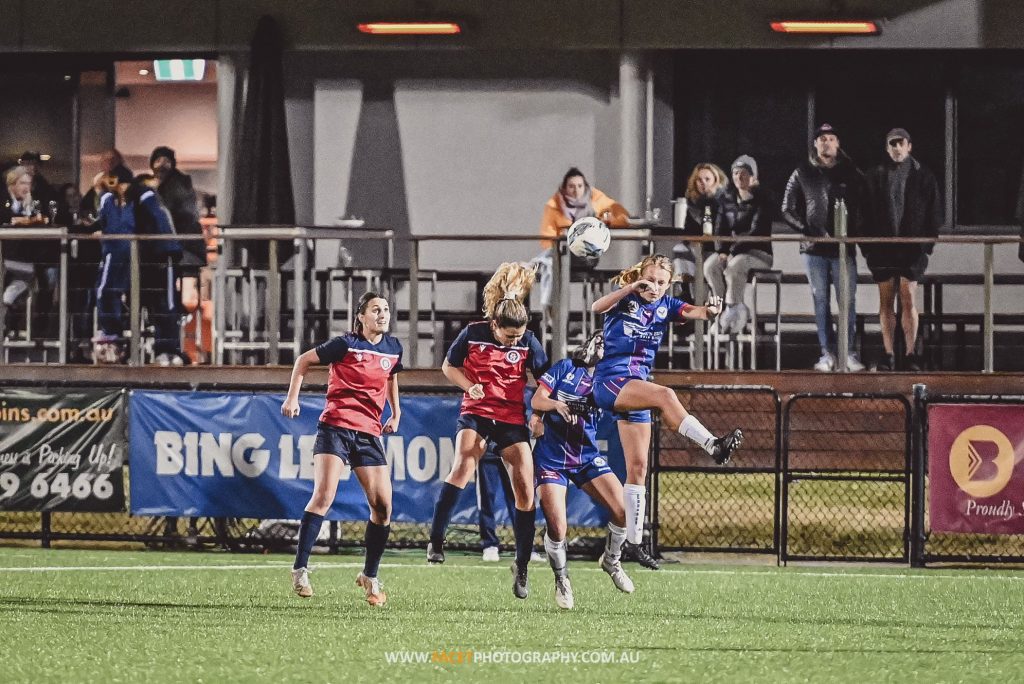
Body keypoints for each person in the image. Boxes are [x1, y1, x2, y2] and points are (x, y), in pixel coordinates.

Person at [591, 254, 743, 565]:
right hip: (611, 381)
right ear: (640, 276)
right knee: (666, 396)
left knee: (637, 470)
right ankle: (713, 446)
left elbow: (692, 310)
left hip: (637, 388)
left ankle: (630, 545)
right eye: (651, 280)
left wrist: (710, 311)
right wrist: (632, 287)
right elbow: (597, 307)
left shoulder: (666, 306)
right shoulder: (626, 298)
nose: (656, 287)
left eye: (663, 282)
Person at [427, 262, 548, 601]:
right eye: (509, 336)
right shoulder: (473, 333)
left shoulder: (530, 341)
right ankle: (436, 540)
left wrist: (538, 414)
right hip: (477, 413)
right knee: (463, 466)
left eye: (518, 337)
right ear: (495, 325)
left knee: (525, 487)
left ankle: (521, 564)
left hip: (511, 417)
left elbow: (544, 382)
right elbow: (449, 366)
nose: (514, 341)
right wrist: (470, 386)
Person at [281, 291, 402, 607]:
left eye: (386, 309)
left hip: (369, 432)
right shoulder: (345, 344)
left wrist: (396, 411)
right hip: (336, 425)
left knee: (383, 507)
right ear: (361, 316)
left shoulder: (393, 348)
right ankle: (300, 570)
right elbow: (303, 361)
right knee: (324, 495)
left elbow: (390, 377)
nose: (382, 314)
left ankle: (370, 576)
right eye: (376, 309)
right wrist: (292, 397)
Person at [531, 331, 635, 610]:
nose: (601, 347)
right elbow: (537, 400)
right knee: (558, 527)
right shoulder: (566, 367)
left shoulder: (611, 382)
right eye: (598, 341)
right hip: (551, 456)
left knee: (624, 508)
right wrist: (554, 406)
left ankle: (612, 561)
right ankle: (561, 578)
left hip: (585, 455)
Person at [782, 123, 867, 372]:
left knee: (847, 301)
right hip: (814, 248)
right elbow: (786, 207)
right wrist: (807, 230)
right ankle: (826, 353)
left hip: (842, 248)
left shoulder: (851, 172)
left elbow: (865, 205)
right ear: (816, 144)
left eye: (831, 138)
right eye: (822, 139)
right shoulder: (803, 171)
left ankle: (848, 353)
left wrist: (854, 234)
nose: (826, 143)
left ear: (838, 143)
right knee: (820, 300)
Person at [863, 128, 942, 371]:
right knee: (885, 301)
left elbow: (934, 213)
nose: (897, 148)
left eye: (901, 143)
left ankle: (910, 354)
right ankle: (888, 353)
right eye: (892, 144)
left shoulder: (924, 176)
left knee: (909, 299)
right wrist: (868, 248)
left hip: (912, 250)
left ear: (909, 146)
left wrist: (926, 246)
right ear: (887, 149)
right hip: (883, 250)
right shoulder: (875, 175)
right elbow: (862, 213)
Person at [92, 175, 182, 364]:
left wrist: (105, 196)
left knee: (164, 304)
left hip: (158, 258)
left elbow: (123, 231)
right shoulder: (130, 203)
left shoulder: (145, 198)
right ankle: (161, 350)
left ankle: (166, 350)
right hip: (145, 261)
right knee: (158, 304)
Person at [704, 155, 775, 334]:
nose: (739, 177)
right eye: (735, 173)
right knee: (710, 266)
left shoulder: (763, 201)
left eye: (744, 173)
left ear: (753, 176)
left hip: (758, 253)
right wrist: (721, 250)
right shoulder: (726, 199)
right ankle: (720, 311)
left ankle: (734, 308)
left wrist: (732, 251)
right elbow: (720, 228)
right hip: (732, 251)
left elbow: (756, 231)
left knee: (735, 266)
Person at [673, 163, 728, 290]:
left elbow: (723, 227)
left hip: (717, 248)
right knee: (680, 249)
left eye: (707, 179)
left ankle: (707, 299)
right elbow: (688, 230)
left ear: (716, 180)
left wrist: (712, 200)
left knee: (704, 259)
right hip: (697, 246)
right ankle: (685, 290)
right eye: (699, 180)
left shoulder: (724, 200)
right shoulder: (693, 203)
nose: (703, 183)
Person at [476, 441, 516, 561]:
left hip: (511, 445)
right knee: (486, 496)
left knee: (518, 498)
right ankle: (489, 544)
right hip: (487, 449)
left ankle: (525, 547)